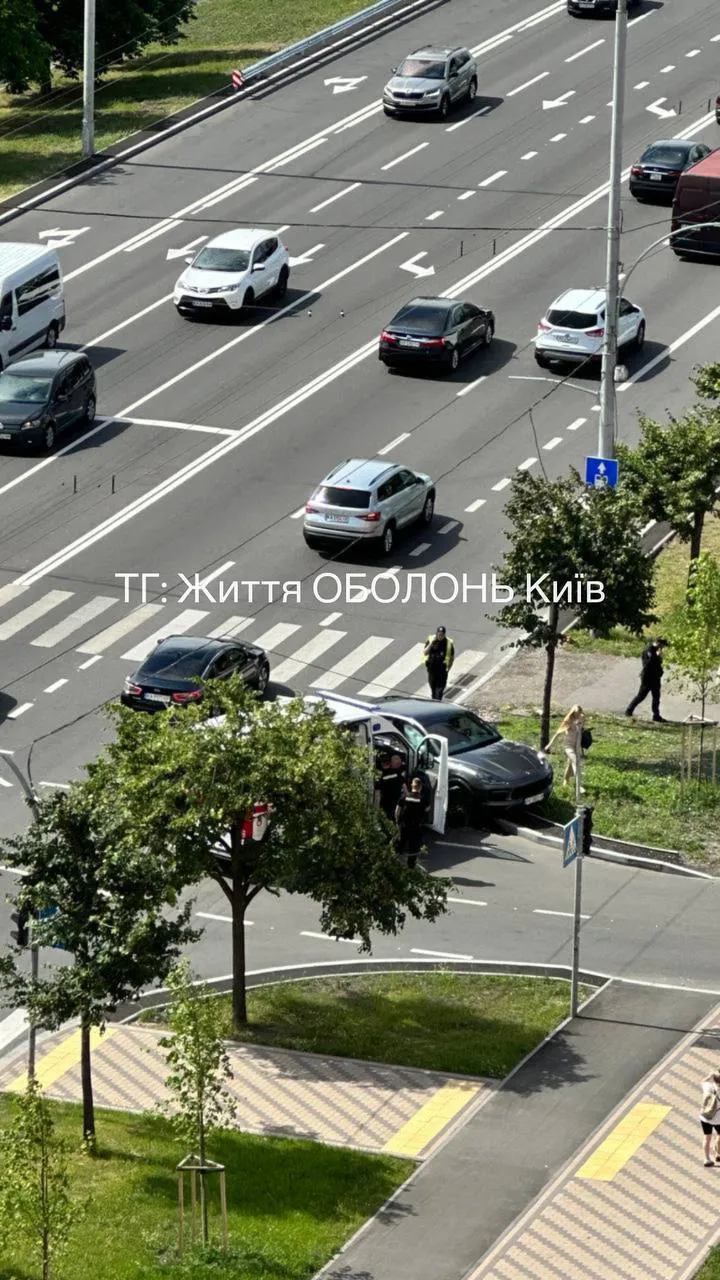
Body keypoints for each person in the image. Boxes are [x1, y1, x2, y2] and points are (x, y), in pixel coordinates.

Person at [625, 638, 668, 722]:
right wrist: (657, 656)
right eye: (663, 645)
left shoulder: (656, 651)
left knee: (656, 697)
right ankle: (629, 711)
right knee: (641, 696)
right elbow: (648, 664)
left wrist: (659, 659)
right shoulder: (648, 650)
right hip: (647, 677)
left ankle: (656, 716)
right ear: (658, 643)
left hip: (656, 678)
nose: (663, 647)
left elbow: (657, 663)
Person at [544, 705, 585, 792]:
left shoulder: (582, 717)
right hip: (568, 746)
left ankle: (565, 780)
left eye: (579, 714)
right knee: (576, 761)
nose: (577, 716)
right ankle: (579, 785)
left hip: (577, 745)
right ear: (572, 713)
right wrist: (550, 744)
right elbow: (558, 733)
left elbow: (582, 729)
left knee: (570, 764)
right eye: (576, 714)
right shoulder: (568, 720)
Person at [395, 776, 426, 866]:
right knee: (413, 847)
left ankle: (396, 864)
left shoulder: (404, 797)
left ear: (412, 785)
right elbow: (423, 812)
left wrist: (397, 821)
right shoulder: (421, 799)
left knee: (400, 844)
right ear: (420, 788)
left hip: (404, 826)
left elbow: (397, 811)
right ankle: (411, 865)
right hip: (415, 827)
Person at [423, 626, 455, 700]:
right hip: (432, 669)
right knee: (433, 690)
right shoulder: (431, 640)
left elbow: (452, 658)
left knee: (439, 691)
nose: (440, 636)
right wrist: (431, 643)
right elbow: (425, 653)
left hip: (442, 670)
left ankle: (437, 702)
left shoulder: (448, 643)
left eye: (442, 635)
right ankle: (434, 701)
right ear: (436, 633)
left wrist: (448, 669)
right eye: (439, 634)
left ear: (444, 635)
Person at [376, 752, 406, 822]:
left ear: (391, 763)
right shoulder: (400, 776)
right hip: (395, 806)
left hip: (385, 804)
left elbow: (378, 790)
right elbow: (405, 791)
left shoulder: (384, 774)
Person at [699, 1070, 720, 1166]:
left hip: (705, 1116)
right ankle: (718, 1153)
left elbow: (702, 1081)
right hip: (718, 1119)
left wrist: (710, 1075)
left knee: (707, 1137)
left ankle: (707, 1159)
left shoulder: (708, 1086)